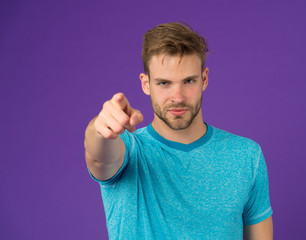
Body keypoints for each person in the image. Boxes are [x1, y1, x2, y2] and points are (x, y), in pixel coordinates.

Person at [84, 22, 273, 240]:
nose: (178, 97)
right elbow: (99, 158)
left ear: (204, 79)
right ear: (146, 84)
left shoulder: (246, 156)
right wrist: (100, 129)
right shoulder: (129, 150)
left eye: (189, 81)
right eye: (164, 83)